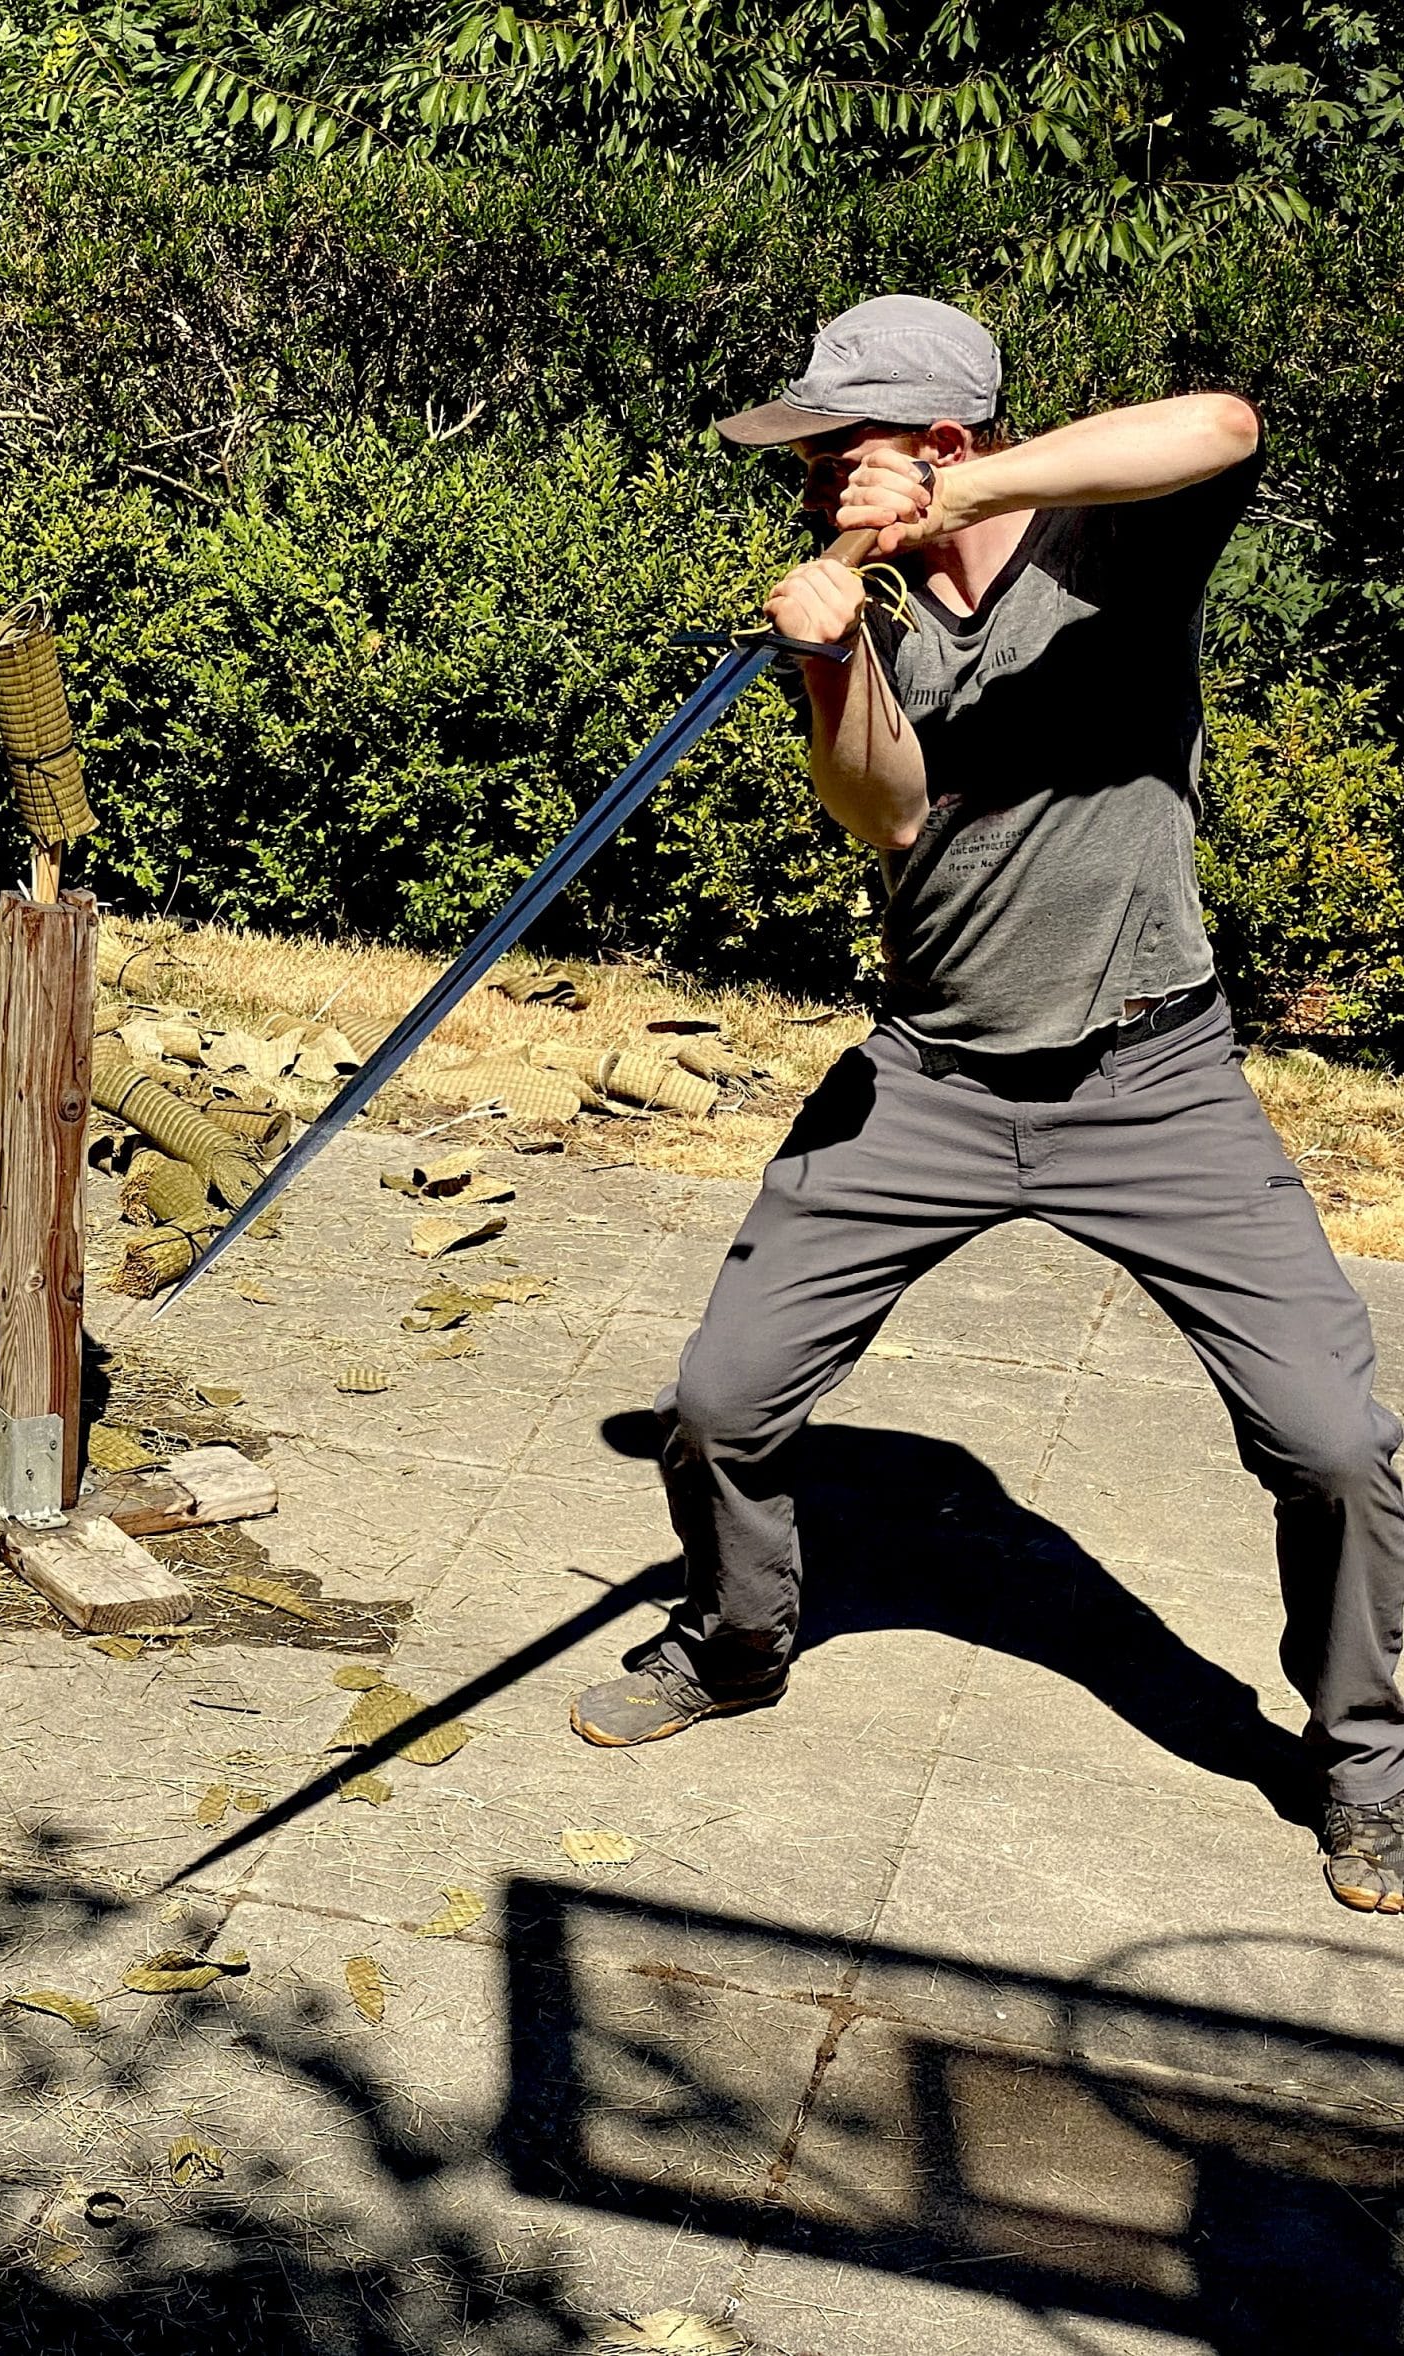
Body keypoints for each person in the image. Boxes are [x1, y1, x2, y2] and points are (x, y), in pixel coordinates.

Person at [564, 294, 1404, 1916]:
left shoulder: (1107, 549)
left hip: (1153, 1078)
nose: (816, 486)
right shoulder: (870, 611)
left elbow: (1222, 421)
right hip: (927, 1079)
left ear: (941, 443)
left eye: (840, 454)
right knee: (721, 1405)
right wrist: (828, 661)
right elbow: (885, 813)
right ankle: (733, 1643)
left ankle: (1368, 1760)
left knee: (1331, 1441)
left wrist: (953, 503)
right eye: (810, 463)